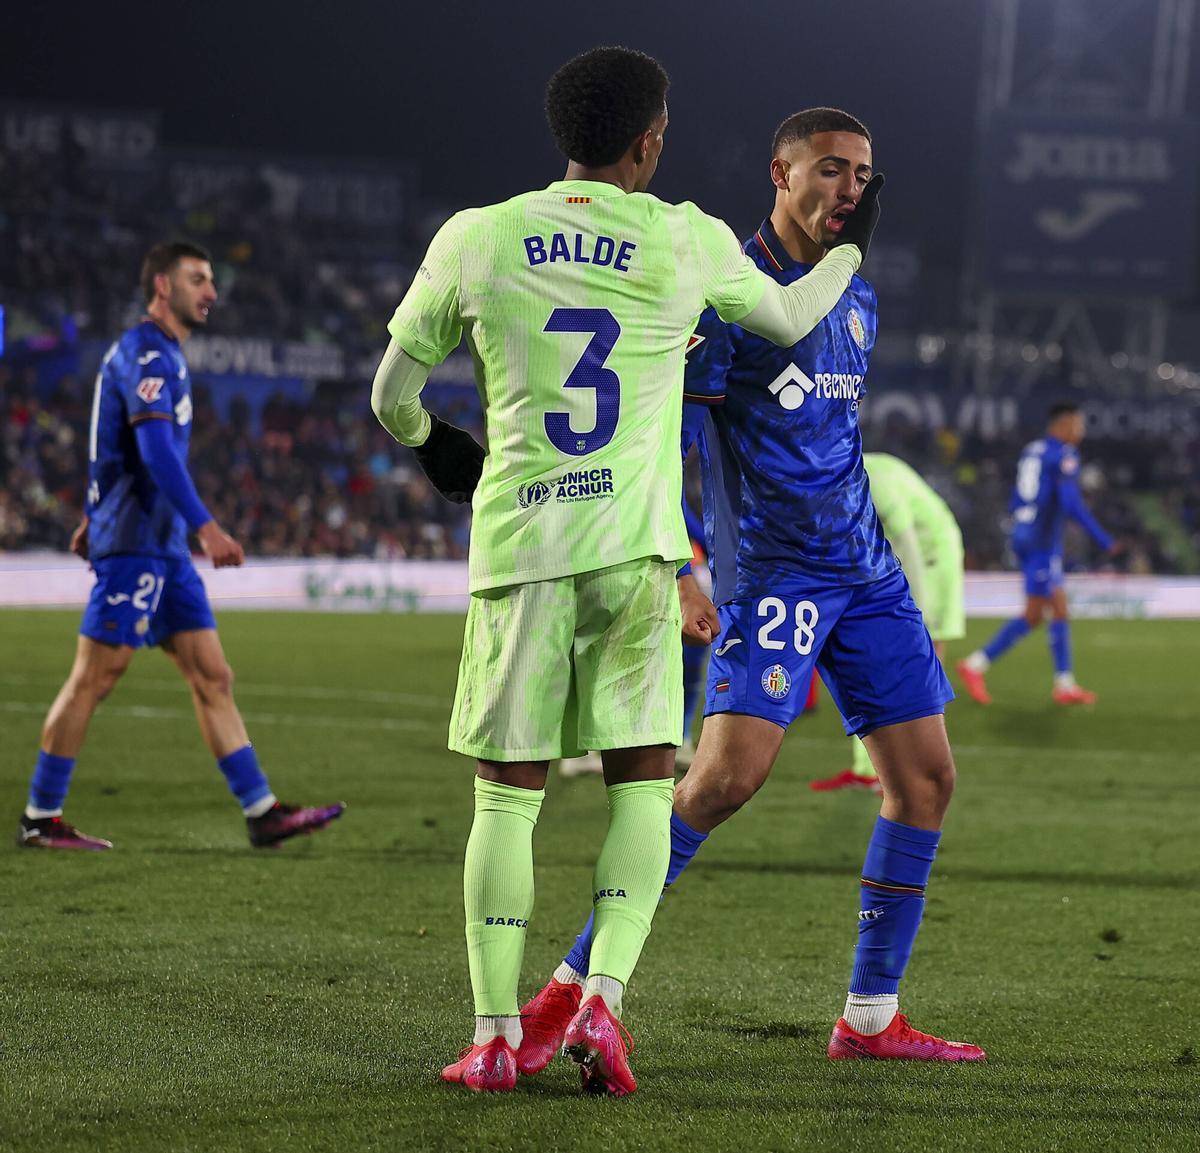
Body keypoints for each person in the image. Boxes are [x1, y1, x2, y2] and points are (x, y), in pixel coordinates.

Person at [370, 52, 881, 1095]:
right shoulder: (684, 236)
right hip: (640, 559)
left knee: (506, 800)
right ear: (649, 141)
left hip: (520, 554)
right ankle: (603, 1002)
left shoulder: (478, 234)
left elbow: (391, 393)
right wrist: (849, 255)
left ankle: (494, 1038)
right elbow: (788, 319)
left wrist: (433, 441)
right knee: (644, 788)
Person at [517, 107, 984, 1073]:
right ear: (780, 170)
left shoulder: (854, 295)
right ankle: (572, 986)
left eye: (860, 175)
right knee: (723, 780)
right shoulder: (726, 290)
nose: (846, 190)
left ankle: (868, 1013)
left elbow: (832, 441)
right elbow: (672, 438)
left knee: (926, 780)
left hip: (866, 573)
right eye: (828, 169)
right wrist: (688, 562)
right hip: (774, 573)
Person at [18, 242, 346, 852]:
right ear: (162, 287)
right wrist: (206, 526)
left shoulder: (158, 353)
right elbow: (155, 451)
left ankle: (262, 812)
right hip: (143, 541)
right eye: (198, 279)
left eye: (212, 280)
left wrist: (96, 514)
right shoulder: (147, 350)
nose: (211, 292)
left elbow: (111, 443)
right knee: (97, 674)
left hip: (160, 546)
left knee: (212, 675)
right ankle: (41, 817)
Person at [811, 452, 965, 792]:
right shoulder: (832, 477)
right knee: (866, 655)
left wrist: (915, 613)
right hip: (889, 554)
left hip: (932, 552)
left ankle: (921, 758)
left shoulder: (875, 485)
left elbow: (909, 546)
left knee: (925, 648)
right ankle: (869, 770)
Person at [958, 403, 1118, 706]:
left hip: (1024, 532)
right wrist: (1102, 538)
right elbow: (1071, 503)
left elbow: (1022, 493)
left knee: (1057, 608)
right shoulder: (1064, 455)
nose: (1081, 432)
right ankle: (975, 664)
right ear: (1064, 424)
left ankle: (1064, 683)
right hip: (1041, 539)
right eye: (1078, 425)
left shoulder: (1033, 450)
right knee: (1035, 613)